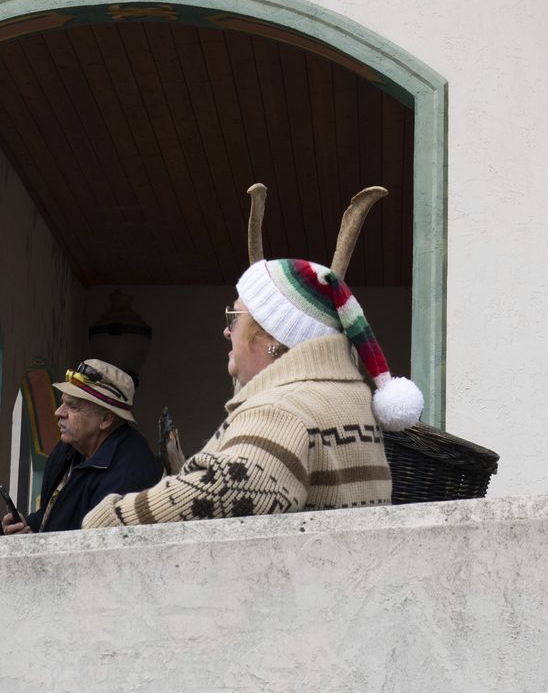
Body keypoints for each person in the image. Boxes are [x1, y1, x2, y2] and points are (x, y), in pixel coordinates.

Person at [82, 183, 422, 526]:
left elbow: (222, 490)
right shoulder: (346, 397)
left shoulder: (284, 410)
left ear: (270, 335)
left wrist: (107, 519)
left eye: (234, 317)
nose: (226, 331)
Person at [0, 359, 162, 534]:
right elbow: (51, 516)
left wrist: (37, 543)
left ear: (105, 419)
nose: (58, 412)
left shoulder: (130, 475)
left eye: (72, 406)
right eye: (63, 402)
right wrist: (26, 526)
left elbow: (95, 550)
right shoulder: (68, 448)